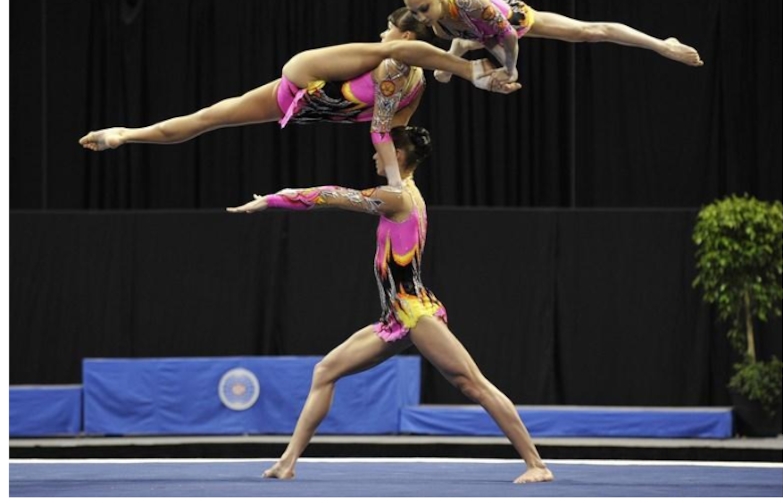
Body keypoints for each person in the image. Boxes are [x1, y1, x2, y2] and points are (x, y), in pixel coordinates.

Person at [226, 126, 554, 485]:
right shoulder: (403, 192)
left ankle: (536, 463)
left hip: (416, 315)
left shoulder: (398, 198)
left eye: (379, 150)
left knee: (472, 384)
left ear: (396, 156)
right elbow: (381, 133)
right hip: (395, 319)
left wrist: (275, 199)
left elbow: (332, 196)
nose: (373, 156)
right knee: (325, 371)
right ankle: (287, 462)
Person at [79, 8, 520, 189]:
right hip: (305, 76)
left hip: (305, 101)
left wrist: (403, 180)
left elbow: (392, 134)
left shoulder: (411, 81)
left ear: (405, 33)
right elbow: (383, 127)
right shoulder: (394, 62)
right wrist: (394, 183)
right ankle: (126, 133)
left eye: (388, 27)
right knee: (207, 117)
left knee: (209, 118)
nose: (382, 32)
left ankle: (124, 135)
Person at [399, 0, 703, 85]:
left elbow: (508, 37)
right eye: (415, 12)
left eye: (424, 8)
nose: (421, 17)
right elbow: (486, 38)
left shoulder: (469, 0)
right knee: (446, 68)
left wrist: (509, 69)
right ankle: (461, 47)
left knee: (589, 32)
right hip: (484, 33)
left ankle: (663, 45)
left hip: (515, 21)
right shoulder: (439, 26)